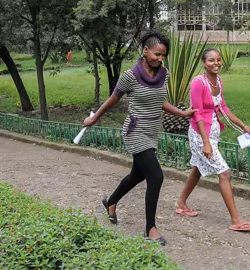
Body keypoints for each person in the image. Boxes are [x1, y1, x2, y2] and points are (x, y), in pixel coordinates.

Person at [82, 31, 196, 246]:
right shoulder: (130, 76)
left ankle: (111, 201)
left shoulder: (165, 74)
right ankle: (150, 228)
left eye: (163, 55)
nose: (160, 59)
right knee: (156, 176)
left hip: (153, 130)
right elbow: (112, 100)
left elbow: (159, 101)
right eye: (156, 54)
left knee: (137, 175)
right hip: (135, 131)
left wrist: (182, 113)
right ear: (145, 50)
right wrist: (95, 118)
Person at [175, 48, 250, 232]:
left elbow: (223, 108)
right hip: (199, 134)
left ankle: (181, 203)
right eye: (211, 60)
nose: (216, 63)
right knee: (224, 172)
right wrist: (205, 142)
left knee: (198, 168)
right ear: (204, 63)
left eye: (218, 60)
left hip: (212, 133)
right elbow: (196, 115)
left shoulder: (218, 80)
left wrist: (244, 126)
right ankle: (236, 220)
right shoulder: (198, 83)